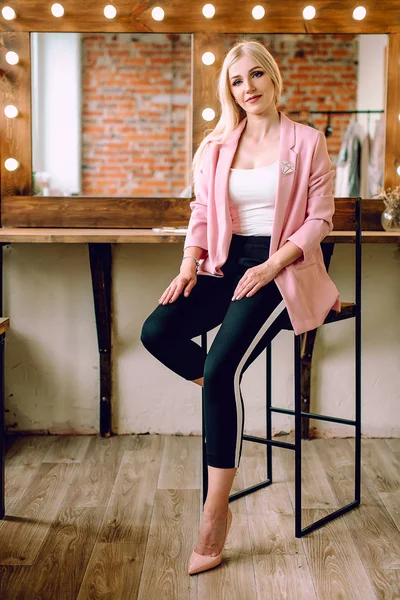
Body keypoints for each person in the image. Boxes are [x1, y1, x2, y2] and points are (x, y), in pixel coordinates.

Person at [140, 39, 340, 575]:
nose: (247, 87)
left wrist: (273, 265)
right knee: (157, 331)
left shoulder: (306, 141)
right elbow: (202, 210)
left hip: (283, 269)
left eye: (255, 75)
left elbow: (320, 219)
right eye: (235, 81)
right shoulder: (217, 145)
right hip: (223, 265)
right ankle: (215, 384)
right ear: (228, 90)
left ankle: (214, 513)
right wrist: (188, 264)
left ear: (274, 79)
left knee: (222, 364)